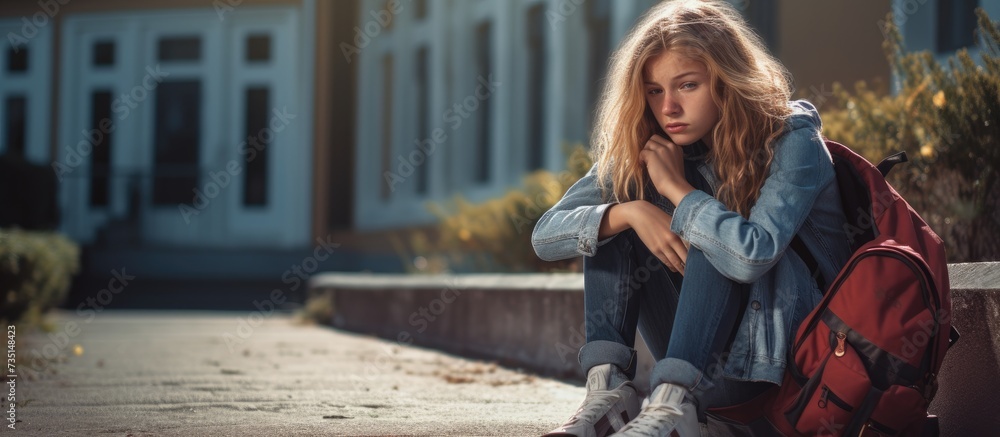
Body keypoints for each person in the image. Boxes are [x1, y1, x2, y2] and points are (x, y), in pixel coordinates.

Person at [531, 1, 852, 436]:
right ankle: (610, 393)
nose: (669, 108)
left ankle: (676, 403)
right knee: (610, 221)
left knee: (712, 231)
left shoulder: (790, 138)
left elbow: (751, 257)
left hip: (784, 369)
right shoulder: (648, 148)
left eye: (687, 85)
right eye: (654, 90)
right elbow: (545, 236)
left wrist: (678, 193)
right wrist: (632, 212)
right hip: (700, 367)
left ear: (726, 79)